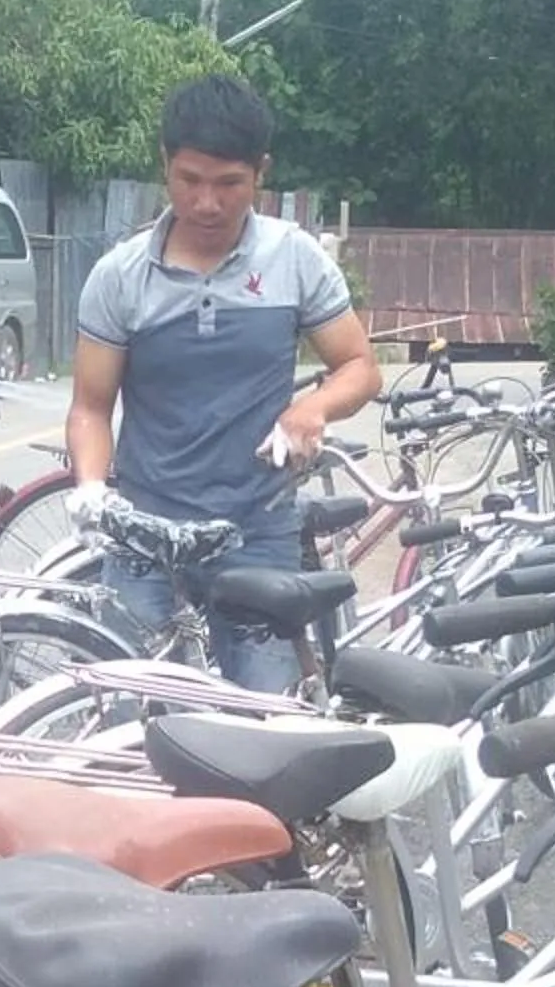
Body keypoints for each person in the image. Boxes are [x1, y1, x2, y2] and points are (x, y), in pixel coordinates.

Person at [65, 75, 381, 694]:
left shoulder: (295, 260)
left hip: (256, 528)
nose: (207, 203)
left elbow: (360, 367)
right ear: (165, 166)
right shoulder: (120, 276)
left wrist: (313, 408)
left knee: (262, 720)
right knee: (135, 714)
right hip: (143, 531)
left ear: (260, 173)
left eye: (229, 184)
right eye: (189, 180)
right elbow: (90, 407)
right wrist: (92, 489)